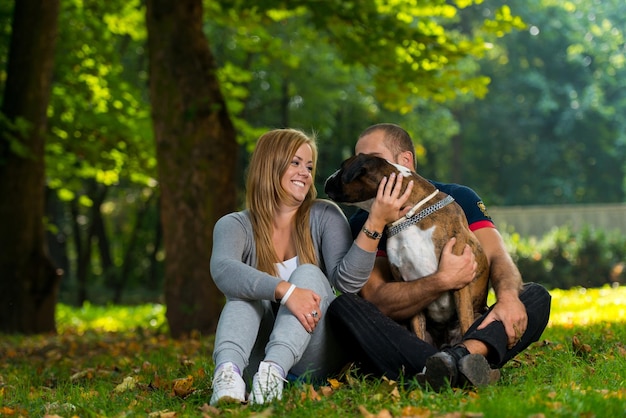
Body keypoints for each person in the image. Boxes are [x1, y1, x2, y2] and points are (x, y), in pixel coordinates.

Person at [327, 123, 552, 391]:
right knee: (345, 307)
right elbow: (378, 300)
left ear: (405, 162)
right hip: (414, 335)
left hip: (468, 323)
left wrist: (508, 299)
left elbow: (498, 258)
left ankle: (454, 360)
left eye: (373, 160)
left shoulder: (458, 198)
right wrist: (442, 280)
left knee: (534, 296)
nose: (361, 170)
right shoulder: (363, 224)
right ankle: (458, 366)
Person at [209, 128, 413, 405]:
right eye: (295, 163)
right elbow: (223, 270)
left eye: (309, 166)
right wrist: (287, 291)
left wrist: (375, 222)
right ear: (269, 165)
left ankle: (273, 373)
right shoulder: (234, 225)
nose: (305, 173)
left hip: (314, 354)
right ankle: (228, 376)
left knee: (308, 272)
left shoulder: (324, 215)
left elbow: (348, 283)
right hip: (254, 359)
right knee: (243, 295)